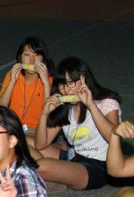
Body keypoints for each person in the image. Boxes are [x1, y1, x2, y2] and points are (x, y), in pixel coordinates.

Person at [32, 56, 121, 190]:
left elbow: (114, 138)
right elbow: (40, 145)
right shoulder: (65, 107)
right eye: (62, 84)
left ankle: (52, 175)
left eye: (71, 82)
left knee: (41, 166)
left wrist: (91, 105)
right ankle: (56, 176)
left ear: (84, 79)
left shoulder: (106, 102)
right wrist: (44, 114)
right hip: (74, 156)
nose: (66, 90)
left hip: (98, 166)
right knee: (20, 142)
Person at [0, 36, 54, 137]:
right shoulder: (12, 75)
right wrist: (12, 82)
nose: (32, 60)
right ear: (20, 58)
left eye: (36, 55)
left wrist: (46, 83)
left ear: (43, 59)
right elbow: (0, 107)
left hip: (37, 130)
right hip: (13, 126)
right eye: (27, 54)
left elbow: (50, 114)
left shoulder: (49, 79)